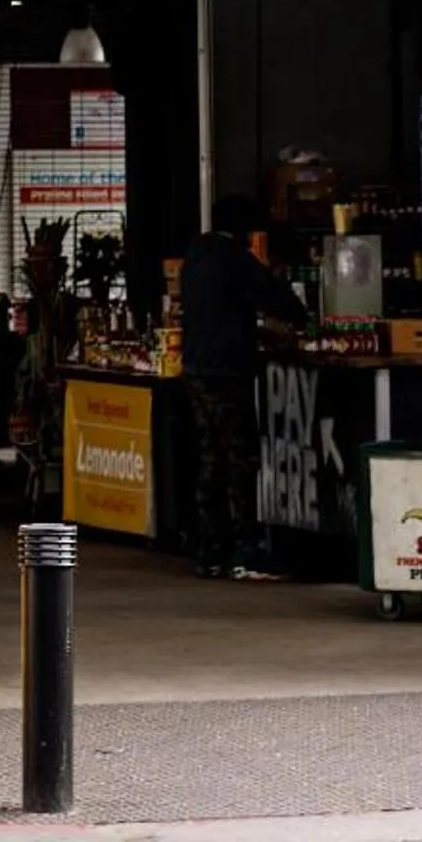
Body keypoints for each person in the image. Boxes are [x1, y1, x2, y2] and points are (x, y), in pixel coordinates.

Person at [176, 201, 308, 580]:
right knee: (239, 459)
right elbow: (276, 298)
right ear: (244, 232)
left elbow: (219, 313)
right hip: (226, 372)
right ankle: (246, 550)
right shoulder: (232, 260)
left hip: (197, 369)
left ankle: (210, 550)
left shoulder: (194, 260)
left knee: (210, 458)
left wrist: (256, 331)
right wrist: (298, 320)